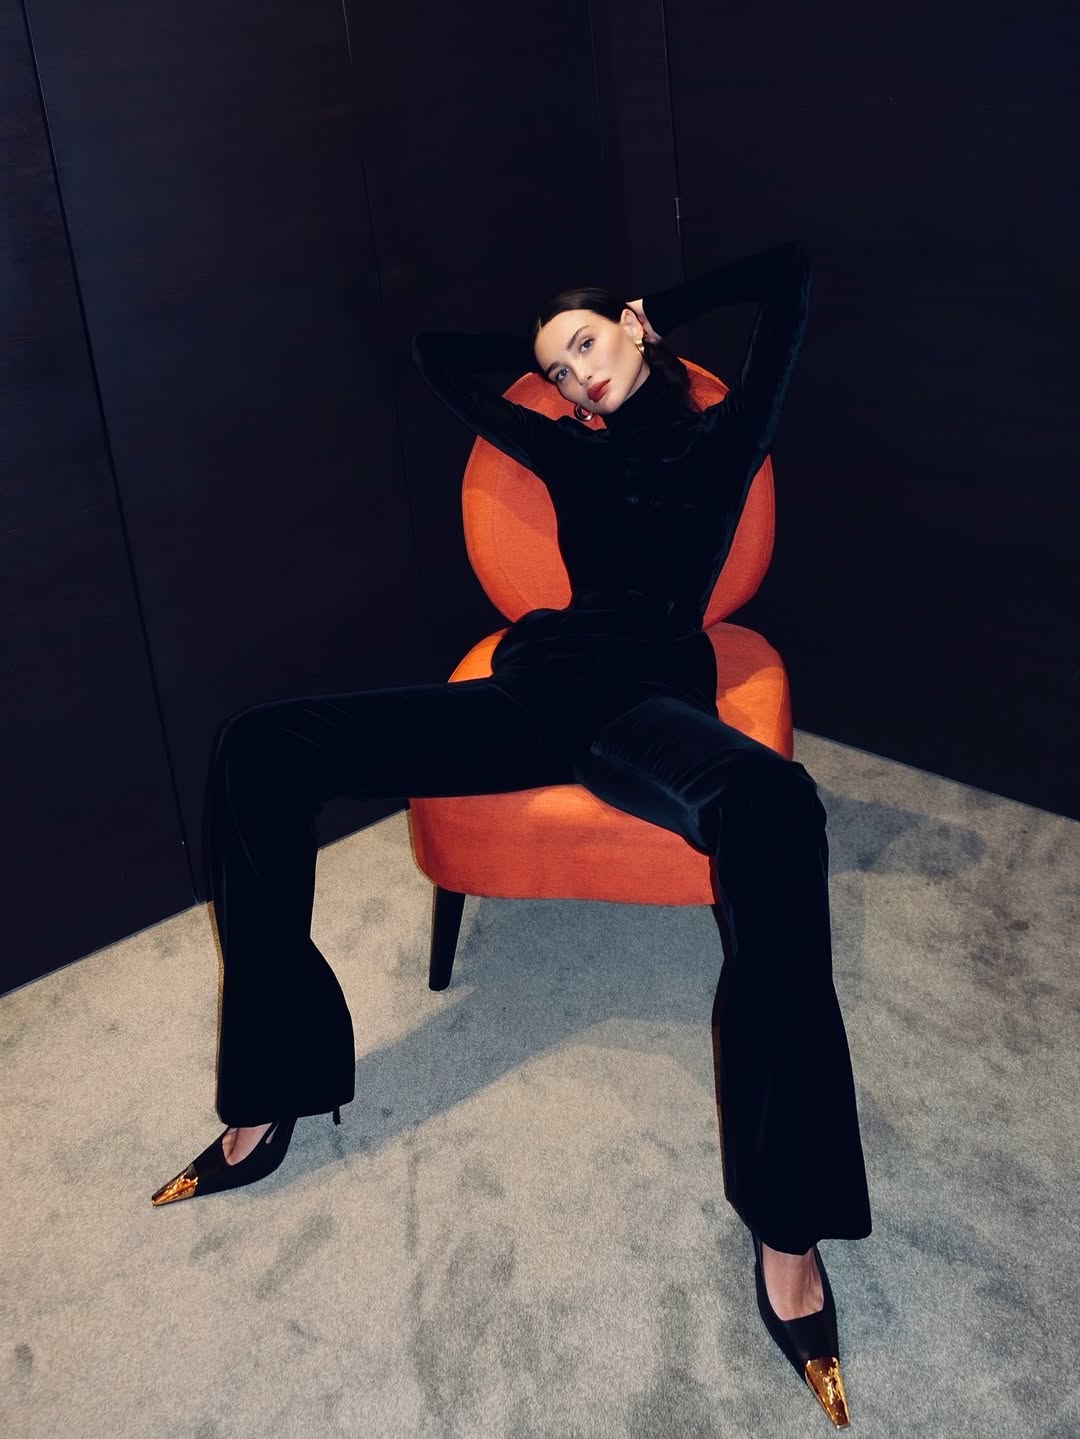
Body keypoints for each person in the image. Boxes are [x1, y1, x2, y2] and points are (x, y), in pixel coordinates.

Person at [151, 243, 870, 1427]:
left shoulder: (725, 436)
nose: (574, 378)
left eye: (585, 347)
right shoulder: (563, 445)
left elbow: (792, 277)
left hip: (645, 705)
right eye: (557, 369)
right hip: (531, 690)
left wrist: (651, 310)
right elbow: (436, 360)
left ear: (633, 330)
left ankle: (787, 1227)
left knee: (777, 809)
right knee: (257, 745)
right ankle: (272, 1089)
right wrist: (546, 358)